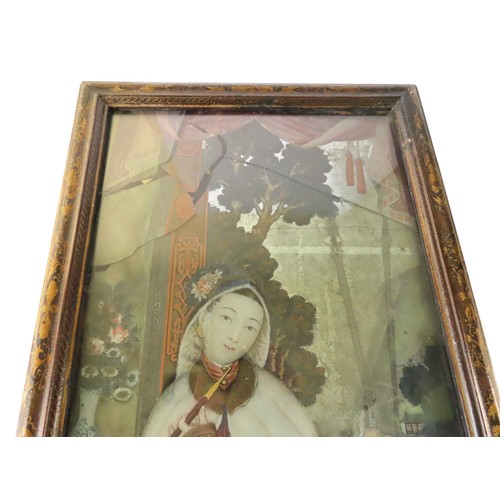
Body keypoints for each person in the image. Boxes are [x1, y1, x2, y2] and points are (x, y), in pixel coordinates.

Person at [143, 266, 317, 436]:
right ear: (204, 318)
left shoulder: (270, 389)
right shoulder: (178, 394)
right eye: (227, 318)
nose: (235, 336)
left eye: (250, 327)